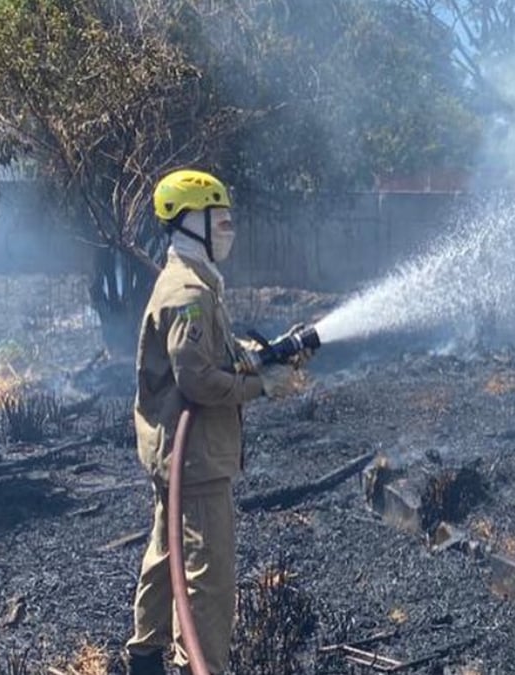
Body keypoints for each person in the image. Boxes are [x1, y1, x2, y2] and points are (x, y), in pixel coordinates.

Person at [124, 169, 306, 675]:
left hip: (176, 455)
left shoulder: (192, 281)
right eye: (218, 219)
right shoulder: (189, 294)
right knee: (208, 577)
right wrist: (261, 386)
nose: (229, 228)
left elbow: (210, 355)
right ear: (189, 222)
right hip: (197, 459)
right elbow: (198, 380)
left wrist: (264, 355)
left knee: (167, 553)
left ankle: (144, 659)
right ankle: (199, 666)